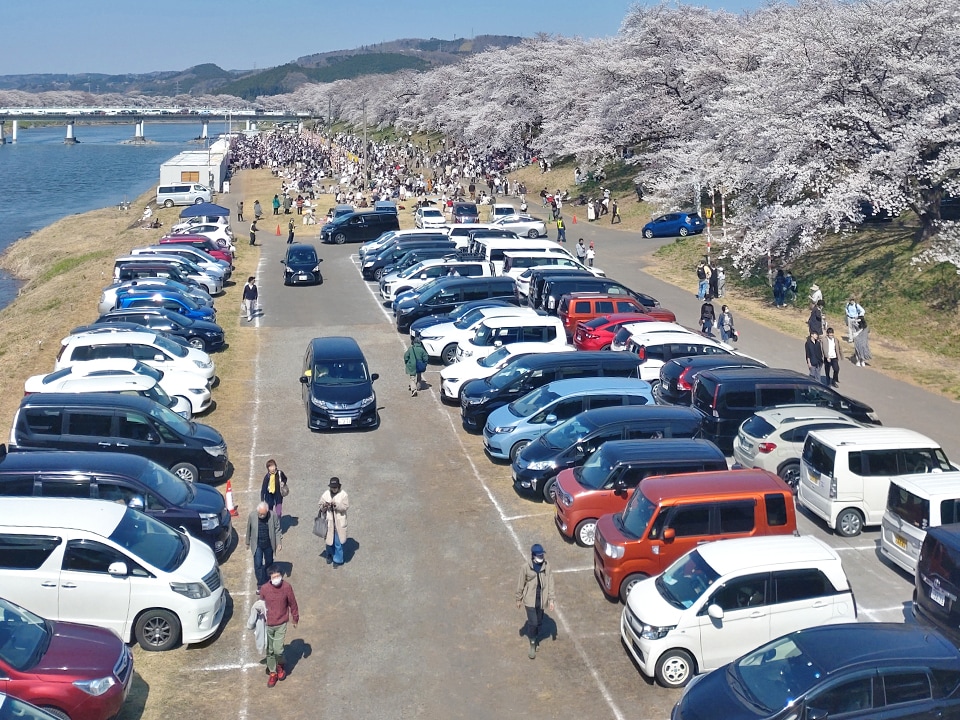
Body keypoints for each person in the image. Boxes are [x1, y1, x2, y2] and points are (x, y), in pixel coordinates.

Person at [260, 565, 298, 688]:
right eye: (273, 576)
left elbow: (293, 603)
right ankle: (272, 672)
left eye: (278, 576)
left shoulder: (287, 587)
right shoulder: (264, 589)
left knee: (278, 650)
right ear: (270, 578)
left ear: (281, 576)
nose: (276, 578)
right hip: (268, 624)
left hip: (281, 623)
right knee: (269, 651)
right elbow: (260, 605)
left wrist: (295, 617)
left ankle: (280, 664)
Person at [516, 543, 555, 660]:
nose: (541, 557)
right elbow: (520, 583)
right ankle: (533, 644)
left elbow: (550, 583)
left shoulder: (547, 566)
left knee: (539, 622)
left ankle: (535, 637)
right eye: (539, 555)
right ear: (533, 556)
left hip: (541, 600)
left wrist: (551, 600)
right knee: (533, 623)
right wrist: (518, 598)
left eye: (542, 555)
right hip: (530, 600)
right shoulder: (525, 568)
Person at [245, 502, 279, 591]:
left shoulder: (273, 516)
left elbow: (277, 529)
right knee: (258, 564)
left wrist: (279, 543)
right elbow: (249, 529)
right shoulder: (252, 516)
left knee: (269, 563)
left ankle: (268, 580)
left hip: (269, 544)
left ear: (267, 512)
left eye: (263, 514)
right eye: (260, 514)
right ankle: (260, 584)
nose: (262, 516)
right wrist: (247, 542)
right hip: (257, 545)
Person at [318, 477, 349, 568]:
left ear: (339, 487)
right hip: (329, 523)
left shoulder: (344, 495)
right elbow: (320, 505)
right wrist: (325, 505)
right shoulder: (326, 494)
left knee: (338, 543)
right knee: (329, 542)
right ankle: (329, 555)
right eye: (332, 487)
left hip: (339, 524)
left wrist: (336, 505)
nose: (333, 489)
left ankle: (338, 560)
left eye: (335, 487)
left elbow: (345, 507)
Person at [260, 459, 288, 534]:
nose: (272, 468)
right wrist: (262, 500)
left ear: (275, 466)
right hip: (269, 498)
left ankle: (278, 530)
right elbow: (263, 489)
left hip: (278, 497)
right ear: (268, 468)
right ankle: (271, 530)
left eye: (273, 466)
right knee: (270, 515)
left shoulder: (280, 473)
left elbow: (285, 478)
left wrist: (283, 482)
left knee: (278, 513)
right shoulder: (267, 477)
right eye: (270, 466)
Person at [403, 331, 429, 396]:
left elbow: (406, 356)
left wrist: (406, 362)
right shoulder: (422, 350)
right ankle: (418, 387)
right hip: (419, 365)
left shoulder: (411, 349)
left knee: (412, 378)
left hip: (412, 365)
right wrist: (424, 364)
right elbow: (426, 358)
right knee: (419, 376)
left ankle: (414, 389)